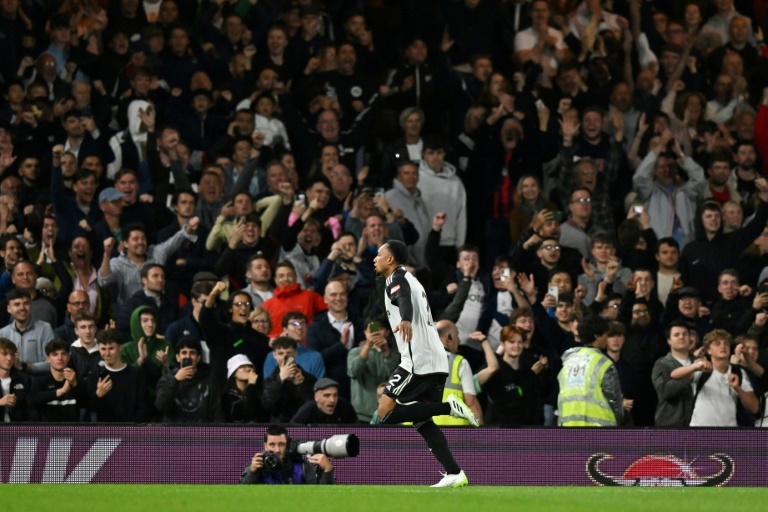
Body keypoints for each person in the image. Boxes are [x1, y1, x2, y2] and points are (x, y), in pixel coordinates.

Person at [372, 240, 477, 488]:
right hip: (435, 359)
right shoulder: (411, 279)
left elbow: (403, 298)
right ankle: (454, 472)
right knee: (420, 419)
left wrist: (406, 319)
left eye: (379, 254)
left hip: (417, 361)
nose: (374, 258)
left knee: (384, 414)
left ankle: (448, 408)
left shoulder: (396, 280)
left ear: (390, 259)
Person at [673, 329, 758, 427]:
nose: (723, 346)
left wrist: (737, 388)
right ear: (708, 350)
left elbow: (754, 408)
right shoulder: (702, 368)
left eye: (726, 343)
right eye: (717, 344)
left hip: (728, 431)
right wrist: (695, 367)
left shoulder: (739, 372)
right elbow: (674, 375)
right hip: (700, 430)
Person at [557, 315, 623, 427]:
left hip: (569, 430)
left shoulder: (568, 363)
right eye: (606, 334)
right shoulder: (603, 363)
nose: (607, 338)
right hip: (599, 433)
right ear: (597, 335)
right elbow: (614, 401)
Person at [155, 336, 223, 423]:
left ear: (198, 358)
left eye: (192, 353)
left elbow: (217, 414)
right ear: (177, 357)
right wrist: (175, 380)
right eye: (184, 353)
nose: (188, 356)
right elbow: (161, 405)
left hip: (202, 434)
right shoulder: (167, 379)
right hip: (175, 434)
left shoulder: (209, 381)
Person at [346, 316, 400, 423]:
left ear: (387, 332)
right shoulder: (355, 352)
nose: (376, 331)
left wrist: (386, 352)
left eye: (380, 328)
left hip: (387, 412)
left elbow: (395, 379)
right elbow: (353, 372)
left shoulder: (395, 355)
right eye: (372, 328)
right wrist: (368, 346)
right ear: (365, 332)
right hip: (362, 414)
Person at [240, 424, 334, 484]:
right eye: (272, 445)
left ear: (287, 445)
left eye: (281, 444)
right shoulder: (257, 464)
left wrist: (327, 470)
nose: (277, 450)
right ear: (265, 446)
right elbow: (243, 496)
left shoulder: (301, 466)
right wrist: (252, 473)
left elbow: (321, 497)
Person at [651, 320, 697, 427]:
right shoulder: (662, 364)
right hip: (670, 424)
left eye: (685, 334)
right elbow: (664, 391)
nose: (681, 337)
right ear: (669, 340)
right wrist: (687, 376)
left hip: (697, 424)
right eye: (676, 335)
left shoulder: (698, 362)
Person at [29, 339, 83, 422]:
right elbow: (32, 400)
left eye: (63, 354)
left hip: (72, 431)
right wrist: (61, 391)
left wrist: (75, 385)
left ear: (68, 358)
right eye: (55, 354)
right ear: (48, 359)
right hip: (47, 431)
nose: (60, 358)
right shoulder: (39, 381)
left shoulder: (76, 379)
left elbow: (86, 404)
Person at [290, 377, 358, 424]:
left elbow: (358, 432)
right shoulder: (307, 410)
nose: (332, 400)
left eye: (335, 395)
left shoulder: (345, 407)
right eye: (327, 396)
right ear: (316, 397)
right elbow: (291, 432)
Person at [222, 354, 267, 423]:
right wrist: (251, 385)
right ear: (233, 373)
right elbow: (243, 414)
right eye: (242, 367)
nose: (248, 369)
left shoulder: (260, 390)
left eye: (250, 366)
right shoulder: (228, 396)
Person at [0, 338, 31, 421]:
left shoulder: (23, 379)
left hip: (17, 428)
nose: (9, 358)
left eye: (12, 354)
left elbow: (29, 408)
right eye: (5, 354)